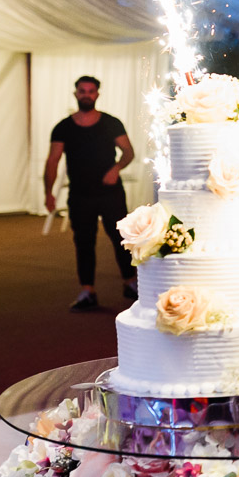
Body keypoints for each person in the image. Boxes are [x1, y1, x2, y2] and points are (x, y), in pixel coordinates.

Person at [44, 75, 138, 311]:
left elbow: (128, 152)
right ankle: (88, 290)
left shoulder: (111, 123)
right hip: (80, 195)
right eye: (82, 91)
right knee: (84, 242)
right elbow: (53, 160)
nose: (86, 95)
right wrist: (48, 193)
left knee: (121, 238)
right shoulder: (63, 127)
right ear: (75, 94)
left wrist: (116, 168)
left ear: (97, 94)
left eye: (91, 91)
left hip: (110, 193)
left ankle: (130, 282)